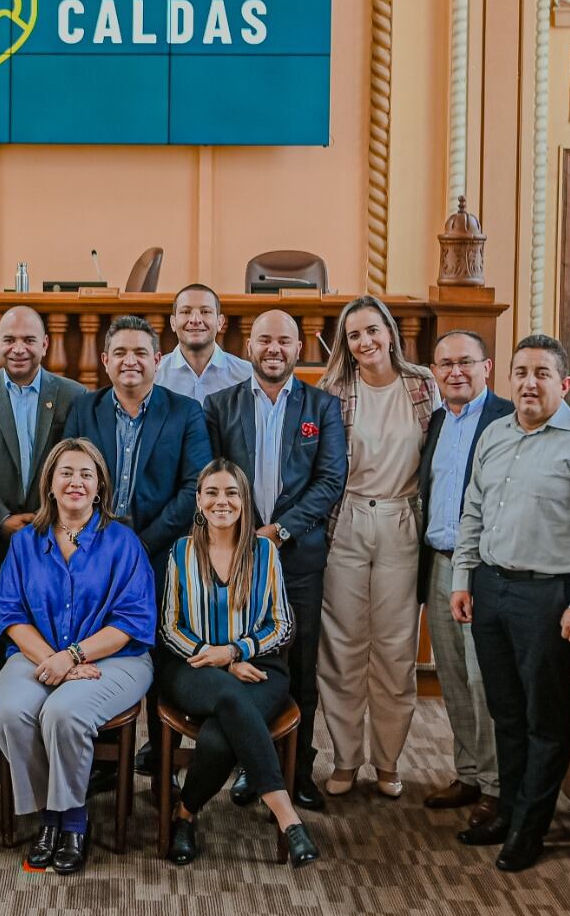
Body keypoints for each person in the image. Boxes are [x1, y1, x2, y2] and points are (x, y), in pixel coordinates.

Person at [450, 334, 570, 872]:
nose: (529, 382)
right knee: (505, 710)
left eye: (542, 373)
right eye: (521, 372)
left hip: (549, 597)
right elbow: (473, 512)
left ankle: (531, 828)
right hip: (491, 589)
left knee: (543, 718)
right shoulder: (495, 435)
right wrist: (462, 576)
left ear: (563, 384)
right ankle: (507, 808)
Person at [0, 438, 156, 876]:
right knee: (7, 713)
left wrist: (74, 655)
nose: (75, 482)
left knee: (63, 713)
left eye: (86, 474)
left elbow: (131, 621)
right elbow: (11, 615)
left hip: (115, 658)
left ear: (100, 486)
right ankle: (49, 814)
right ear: (50, 483)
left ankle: (73, 820)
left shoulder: (123, 542)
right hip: (37, 653)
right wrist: (55, 659)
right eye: (66, 472)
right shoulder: (26, 542)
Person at [203, 309, 345, 811]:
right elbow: (213, 478)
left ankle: (298, 770)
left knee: (301, 666)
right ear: (248, 345)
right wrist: (243, 535)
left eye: (284, 340)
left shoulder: (321, 407)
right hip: (237, 559)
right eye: (264, 339)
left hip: (298, 557)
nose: (274, 349)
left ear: (299, 345)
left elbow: (331, 480)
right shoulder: (220, 406)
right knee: (250, 660)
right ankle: (252, 768)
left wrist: (279, 532)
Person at [64, 314, 211, 774]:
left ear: (158, 360)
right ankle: (104, 760)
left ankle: (160, 755)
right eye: (120, 352)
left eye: (140, 352)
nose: (131, 361)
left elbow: (195, 487)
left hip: (162, 550)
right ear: (105, 360)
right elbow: (69, 476)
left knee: (163, 652)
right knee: (101, 646)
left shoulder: (184, 411)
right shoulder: (84, 409)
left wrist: (142, 544)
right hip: (96, 554)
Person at [160, 460, 320, 868]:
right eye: (212, 492)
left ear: (244, 501)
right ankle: (289, 818)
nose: (222, 501)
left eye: (231, 493)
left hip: (261, 670)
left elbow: (283, 625)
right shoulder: (181, 552)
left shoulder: (264, 552)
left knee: (218, 735)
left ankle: (185, 815)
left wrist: (237, 651)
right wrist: (220, 660)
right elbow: (169, 627)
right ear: (198, 500)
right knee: (231, 698)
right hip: (192, 668)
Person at [0, 305, 86, 780]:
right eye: (10, 339)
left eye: (29, 340)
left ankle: (51, 735)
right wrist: (2, 520)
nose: (19, 348)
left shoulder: (71, 395)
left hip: (57, 539)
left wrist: (51, 519)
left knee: (58, 630)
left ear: (45, 345)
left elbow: (78, 465)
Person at [316, 295, 437, 800]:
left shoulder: (422, 385)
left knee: (394, 646)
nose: (365, 342)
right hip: (347, 520)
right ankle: (346, 758)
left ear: (390, 331)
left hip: (402, 518)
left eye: (372, 331)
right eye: (354, 335)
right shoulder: (333, 391)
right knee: (342, 645)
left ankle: (388, 761)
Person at [416, 329, 513, 827]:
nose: (455, 371)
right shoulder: (436, 420)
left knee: (482, 678)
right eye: (445, 363)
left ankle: (497, 787)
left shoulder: (507, 421)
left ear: (487, 367)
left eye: (466, 362)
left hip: (480, 568)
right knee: (452, 674)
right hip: (438, 562)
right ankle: (469, 772)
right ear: (434, 372)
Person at [156, 284, 253, 403]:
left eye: (205, 311)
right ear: (173, 323)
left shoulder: (247, 375)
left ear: (220, 322)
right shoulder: (154, 376)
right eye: (186, 312)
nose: (195, 320)